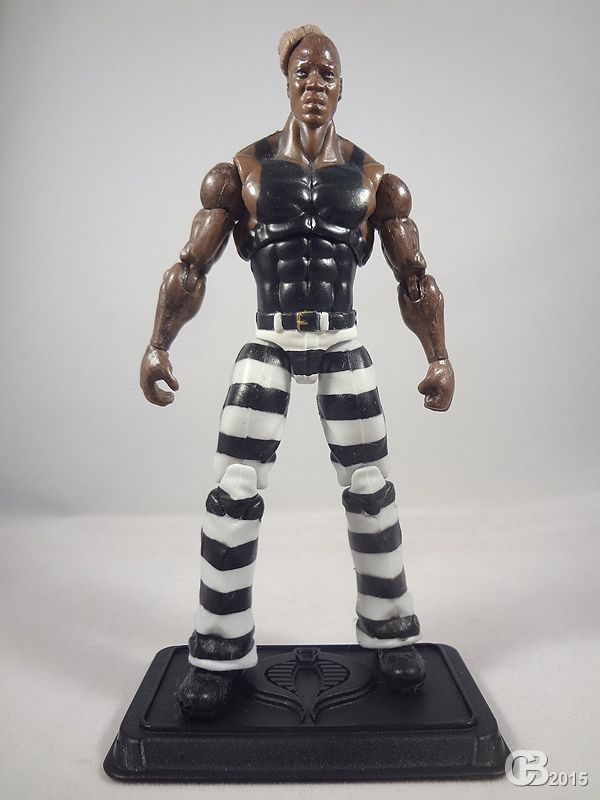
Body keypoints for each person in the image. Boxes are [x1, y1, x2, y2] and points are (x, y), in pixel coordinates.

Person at [140, 24, 454, 718]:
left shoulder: (375, 181)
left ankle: (391, 632)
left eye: (327, 75)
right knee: (233, 488)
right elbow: (192, 265)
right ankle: (219, 648)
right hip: (272, 339)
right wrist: (160, 342)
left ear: (343, 88)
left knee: (372, 489)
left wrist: (437, 354)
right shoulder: (242, 173)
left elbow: (413, 275)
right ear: (286, 82)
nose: (314, 85)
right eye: (303, 74)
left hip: (341, 339)